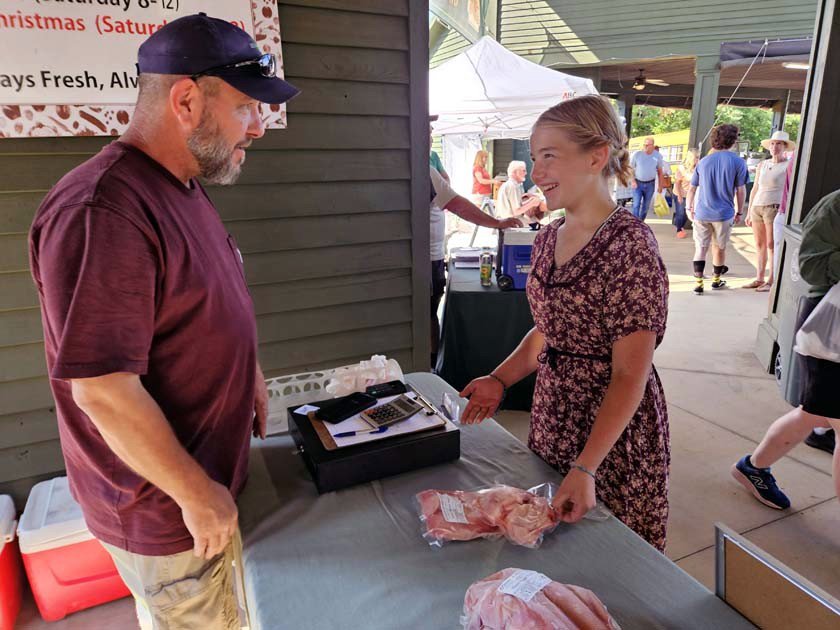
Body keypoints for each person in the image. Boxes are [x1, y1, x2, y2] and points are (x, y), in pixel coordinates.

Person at [27, 14, 299, 629]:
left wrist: (247, 367)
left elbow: (200, 299)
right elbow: (103, 389)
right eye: (245, 108)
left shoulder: (179, 183)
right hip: (164, 507)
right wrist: (197, 496)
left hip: (196, 486)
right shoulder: (103, 211)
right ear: (185, 99)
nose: (258, 127)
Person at [460, 95, 671, 551]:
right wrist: (500, 378)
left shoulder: (630, 246)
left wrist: (586, 466)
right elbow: (550, 331)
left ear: (596, 157)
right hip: (554, 413)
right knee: (551, 547)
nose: (536, 172)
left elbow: (630, 371)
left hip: (612, 439)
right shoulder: (549, 236)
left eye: (550, 156)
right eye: (534, 158)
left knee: (611, 558)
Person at [731, 189, 840, 509]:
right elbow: (810, 267)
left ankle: (753, 466)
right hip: (829, 329)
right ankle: (753, 466)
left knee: (814, 414)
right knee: (823, 415)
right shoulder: (835, 205)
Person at [430, 166, 520, 368]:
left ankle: (432, 362)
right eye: (428, 131)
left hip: (427, 256)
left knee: (428, 313)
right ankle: (432, 364)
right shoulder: (425, 170)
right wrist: (496, 222)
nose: (429, 133)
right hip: (426, 259)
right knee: (428, 314)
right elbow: (457, 205)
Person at [686, 125, 748, 295]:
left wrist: (688, 207)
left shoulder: (704, 161)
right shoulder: (738, 162)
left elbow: (692, 188)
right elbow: (741, 190)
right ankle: (716, 281)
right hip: (724, 214)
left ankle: (698, 284)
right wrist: (740, 212)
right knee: (720, 248)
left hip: (702, 212)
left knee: (700, 248)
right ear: (733, 140)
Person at [743, 131, 794, 292]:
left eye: (779, 143)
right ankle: (759, 277)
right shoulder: (762, 165)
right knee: (759, 243)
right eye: (773, 143)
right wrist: (749, 209)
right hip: (758, 205)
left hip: (774, 205)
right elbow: (755, 187)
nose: (775, 147)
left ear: (785, 147)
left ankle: (772, 279)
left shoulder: (788, 165)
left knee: (772, 244)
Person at [629, 137, 664, 221]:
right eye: (644, 144)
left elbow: (660, 172)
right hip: (637, 183)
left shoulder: (657, 155)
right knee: (636, 204)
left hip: (650, 184)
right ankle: (635, 223)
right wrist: (632, 180)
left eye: (648, 145)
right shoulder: (637, 154)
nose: (645, 146)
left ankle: (641, 221)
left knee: (646, 206)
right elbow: (629, 168)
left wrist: (660, 186)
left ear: (653, 146)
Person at [672, 149, 699, 239]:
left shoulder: (698, 168)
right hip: (680, 193)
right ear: (691, 158)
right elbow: (677, 183)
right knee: (681, 213)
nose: (698, 159)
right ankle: (679, 229)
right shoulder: (682, 168)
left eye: (699, 157)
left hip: (691, 195)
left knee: (688, 213)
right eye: (696, 157)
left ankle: (680, 225)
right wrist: (679, 196)